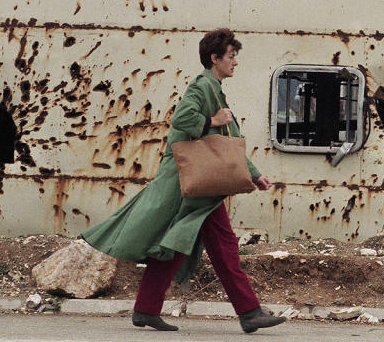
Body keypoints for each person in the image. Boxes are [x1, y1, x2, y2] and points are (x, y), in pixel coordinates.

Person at [82, 28, 285, 333]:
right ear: (214, 58)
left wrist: (255, 174)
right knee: (217, 246)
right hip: (189, 183)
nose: (235, 62)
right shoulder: (202, 87)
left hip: (198, 184)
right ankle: (249, 312)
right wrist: (212, 120)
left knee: (182, 245)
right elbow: (183, 120)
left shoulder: (214, 88)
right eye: (231, 56)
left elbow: (224, 144)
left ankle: (147, 309)